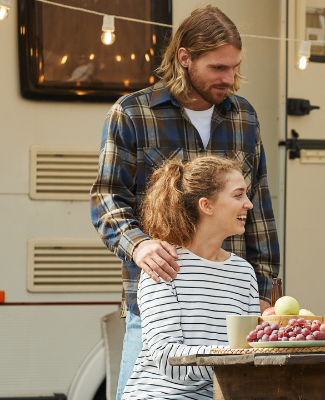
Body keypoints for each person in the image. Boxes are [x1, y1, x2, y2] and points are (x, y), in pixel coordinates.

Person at [89, 6, 279, 398]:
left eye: (234, 67)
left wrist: (264, 293)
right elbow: (106, 196)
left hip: (233, 302)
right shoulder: (132, 113)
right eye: (217, 68)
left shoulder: (244, 117)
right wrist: (138, 245)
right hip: (163, 294)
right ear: (184, 57)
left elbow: (259, 207)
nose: (229, 79)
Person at [122, 155, 260, 399]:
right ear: (206, 205)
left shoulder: (243, 273)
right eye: (238, 195)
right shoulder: (165, 265)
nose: (248, 204)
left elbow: (250, 350)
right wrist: (234, 357)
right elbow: (167, 357)